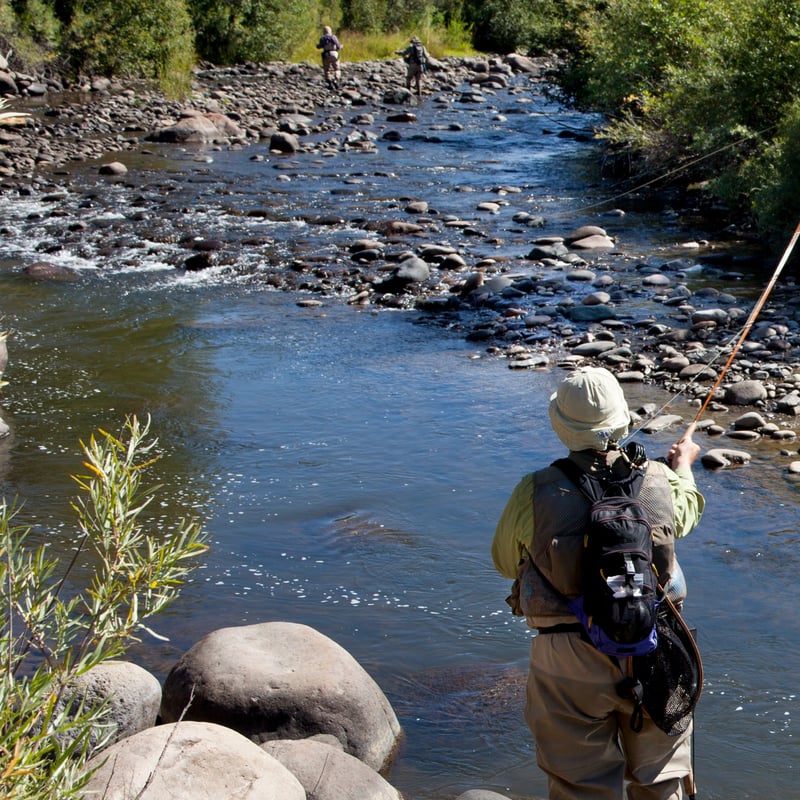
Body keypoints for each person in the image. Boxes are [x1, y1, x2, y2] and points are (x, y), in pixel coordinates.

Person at [492, 366, 705, 800]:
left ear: (560, 427)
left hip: (567, 652)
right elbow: (685, 514)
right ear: (624, 421)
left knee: (580, 785)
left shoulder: (533, 490)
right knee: (662, 779)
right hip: (655, 640)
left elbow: (502, 562)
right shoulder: (659, 480)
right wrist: (683, 467)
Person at [316, 25, 342, 91]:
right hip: (334, 54)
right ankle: (336, 80)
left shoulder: (322, 38)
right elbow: (338, 46)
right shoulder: (333, 37)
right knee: (337, 69)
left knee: (327, 70)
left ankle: (330, 82)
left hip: (326, 54)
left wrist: (317, 45)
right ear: (330, 31)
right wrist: (341, 47)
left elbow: (319, 47)